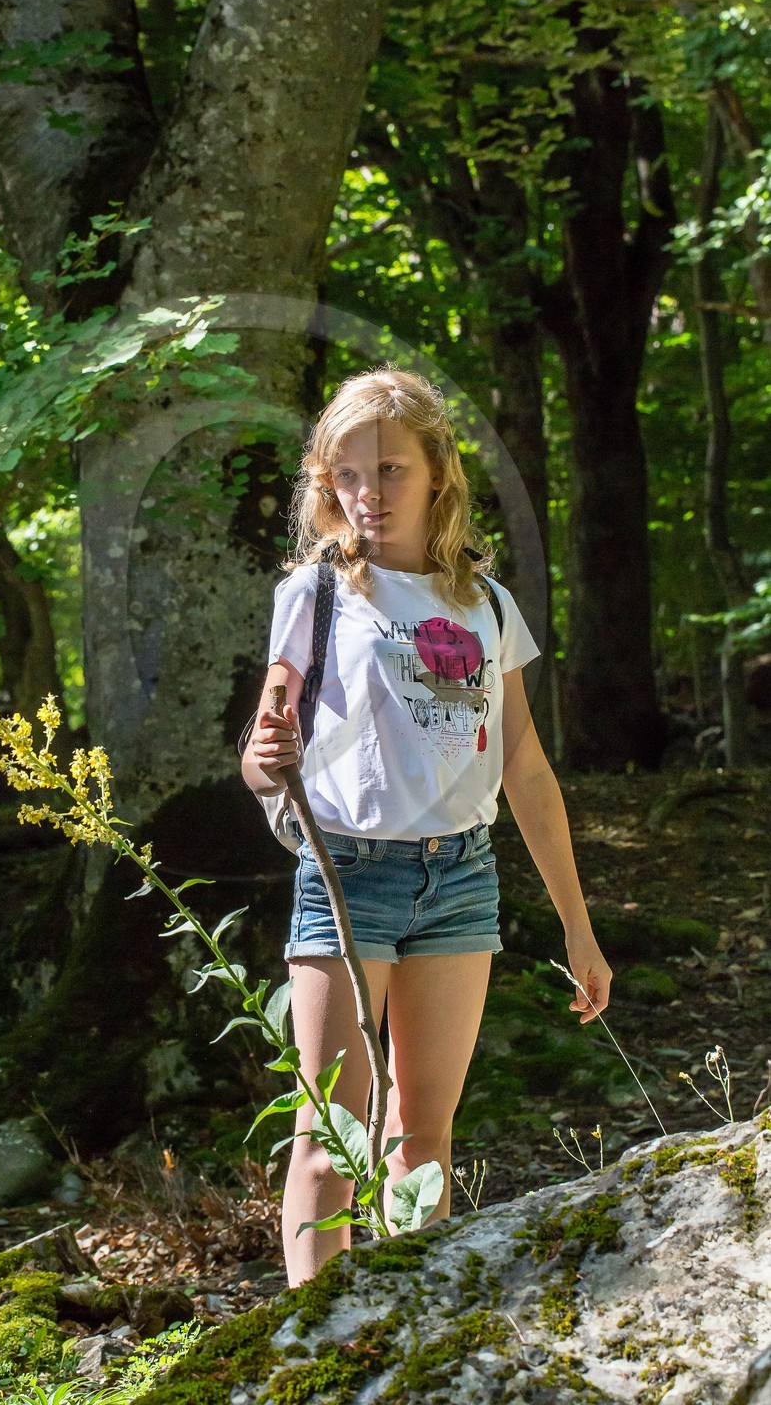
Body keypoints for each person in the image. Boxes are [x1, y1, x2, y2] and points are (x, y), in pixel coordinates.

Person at [239, 367, 612, 1288]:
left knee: (425, 1137)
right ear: (327, 483)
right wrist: (267, 757)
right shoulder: (316, 594)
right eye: (349, 475)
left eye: (391, 470)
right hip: (346, 876)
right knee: (331, 1139)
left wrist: (577, 925)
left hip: (461, 879)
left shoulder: (485, 605)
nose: (369, 495)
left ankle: (418, 1329)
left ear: (437, 472)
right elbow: (257, 756)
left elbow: (524, 769)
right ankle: (312, 1348)